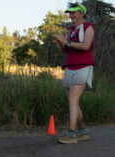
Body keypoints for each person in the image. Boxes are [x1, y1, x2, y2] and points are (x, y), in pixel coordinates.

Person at [53, 3, 94, 144]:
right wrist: (61, 44)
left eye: (74, 13)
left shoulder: (88, 27)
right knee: (73, 100)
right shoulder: (70, 29)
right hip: (69, 66)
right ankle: (83, 131)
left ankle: (71, 134)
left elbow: (86, 46)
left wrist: (66, 41)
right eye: (70, 13)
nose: (71, 15)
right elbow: (66, 50)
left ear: (82, 14)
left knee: (72, 99)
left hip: (83, 66)